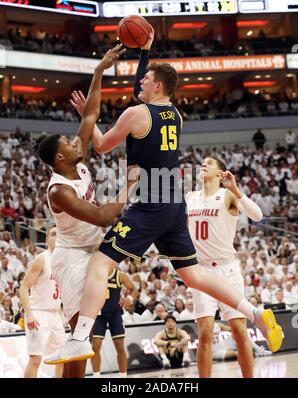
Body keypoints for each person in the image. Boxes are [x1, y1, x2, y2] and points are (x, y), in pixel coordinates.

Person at [49, 28, 282, 364]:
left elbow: (99, 146)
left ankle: (79, 337)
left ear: (157, 85)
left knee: (101, 263)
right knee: (192, 274)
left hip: (150, 204)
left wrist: (89, 116)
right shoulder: (176, 115)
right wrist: (144, 50)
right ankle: (255, 313)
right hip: (175, 205)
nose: (140, 82)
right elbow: (141, 94)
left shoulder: (135, 114)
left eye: (145, 79)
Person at [39, 45, 139, 378]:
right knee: (78, 347)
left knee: (82, 341)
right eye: (68, 145)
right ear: (58, 159)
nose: (75, 143)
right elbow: (100, 216)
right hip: (71, 258)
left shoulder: (75, 158)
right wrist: (129, 187)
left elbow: (90, 116)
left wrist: (100, 70)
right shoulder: (60, 191)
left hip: (93, 250)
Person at [186, 156, 268, 378]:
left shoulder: (228, 195)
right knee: (204, 332)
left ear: (220, 173)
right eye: (202, 162)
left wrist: (236, 189)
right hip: (201, 271)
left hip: (227, 269)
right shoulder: (190, 197)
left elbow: (258, 216)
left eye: (210, 162)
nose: (204, 164)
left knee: (240, 331)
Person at [19, 225, 65, 378]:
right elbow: (23, 288)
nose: (56, 237)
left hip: (55, 314)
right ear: (46, 239)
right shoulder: (41, 259)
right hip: (38, 313)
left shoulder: (63, 262)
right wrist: (29, 314)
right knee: (36, 360)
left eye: (59, 234)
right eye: (53, 234)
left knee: (61, 357)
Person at [91, 268, 137, 378]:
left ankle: (123, 376)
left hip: (114, 314)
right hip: (99, 314)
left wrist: (129, 299)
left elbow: (133, 289)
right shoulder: (95, 273)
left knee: (120, 347)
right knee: (95, 347)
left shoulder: (119, 275)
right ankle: (96, 376)